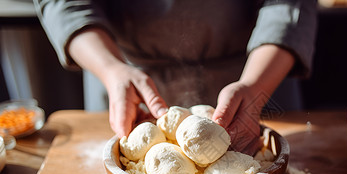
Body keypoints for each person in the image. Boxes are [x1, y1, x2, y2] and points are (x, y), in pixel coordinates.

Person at [34, 0, 317, 155]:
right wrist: (111, 69)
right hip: (126, 77)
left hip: (258, 71)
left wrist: (256, 85)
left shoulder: (257, 81)